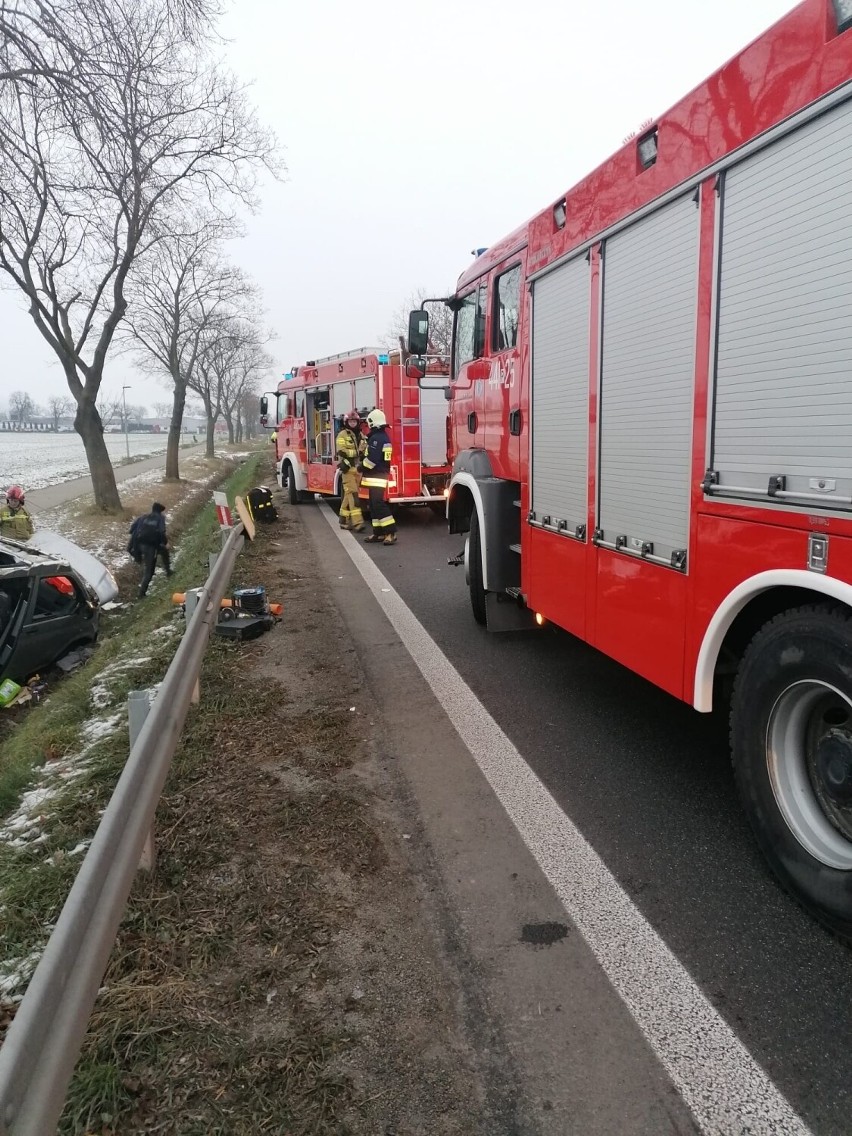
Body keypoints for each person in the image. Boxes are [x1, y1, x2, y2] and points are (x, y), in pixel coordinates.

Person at [359, 409, 397, 545]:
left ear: (372, 422)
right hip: (377, 475)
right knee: (373, 505)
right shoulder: (381, 437)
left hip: (377, 475)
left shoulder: (376, 439)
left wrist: (360, 466)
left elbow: (372, 460)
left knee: (378, 504)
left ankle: (390, 532)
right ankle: (378, 533)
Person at [131, 502, 172, 597]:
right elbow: (162, 532)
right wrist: (165, 543)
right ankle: (141, 593)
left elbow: (133, 529)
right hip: (151, 545)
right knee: (149, 570)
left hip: (141, 544)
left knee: (162, 553)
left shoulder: (144, 517)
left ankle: (168, 571)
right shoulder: (160, 518)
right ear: (160, 511)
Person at [335, 410, 366, 531]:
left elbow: (365, 449)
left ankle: (343, 520)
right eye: (350, 421)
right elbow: (341, 451)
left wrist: (361, 454)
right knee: (354, 496)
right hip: (347, 469)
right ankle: (358, 522)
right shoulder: (342, 434)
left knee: (349, 495)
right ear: (346, 422)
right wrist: (357, 453)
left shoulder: (361, 435)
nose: (353, 423)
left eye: (354, 421)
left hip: (358, 469)